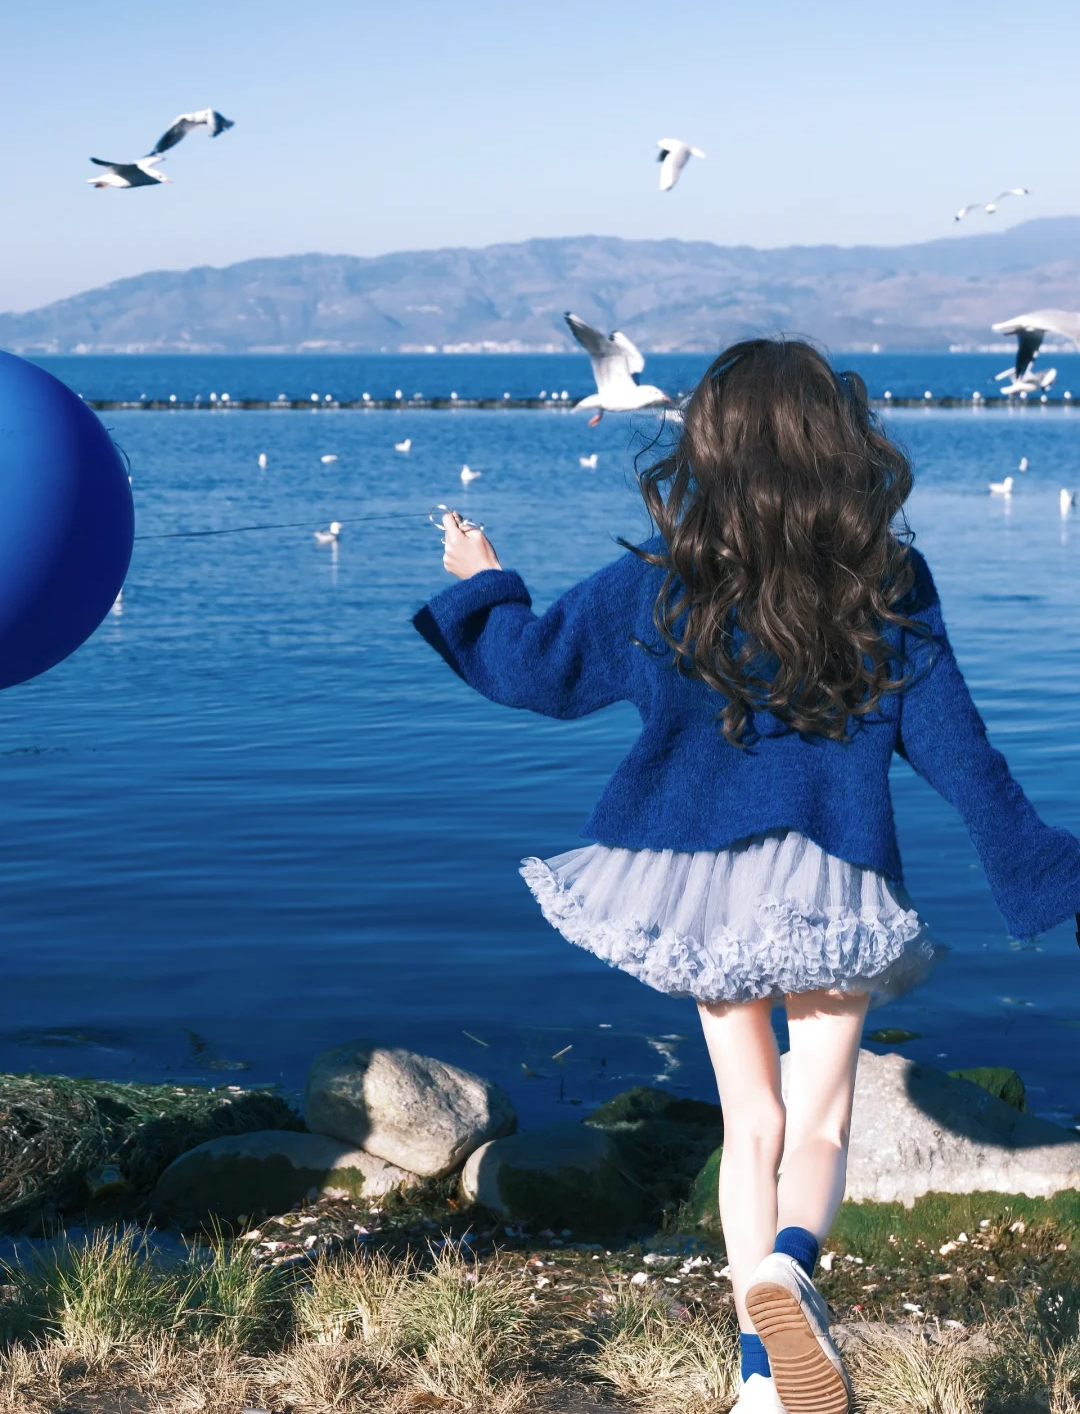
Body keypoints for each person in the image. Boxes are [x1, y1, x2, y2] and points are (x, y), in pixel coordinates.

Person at [413, 338, 1080, 1414]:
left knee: (751, 1127)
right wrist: (1045, 865)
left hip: (699, 891)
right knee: (821, 1125)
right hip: (837, 883)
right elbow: (963, 755)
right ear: (836, 445)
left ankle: (759, 1382)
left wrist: (483, 578)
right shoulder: (887, 579)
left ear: (709, 446)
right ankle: (794, 1271)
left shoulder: (658, 581)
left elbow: (534, 669)